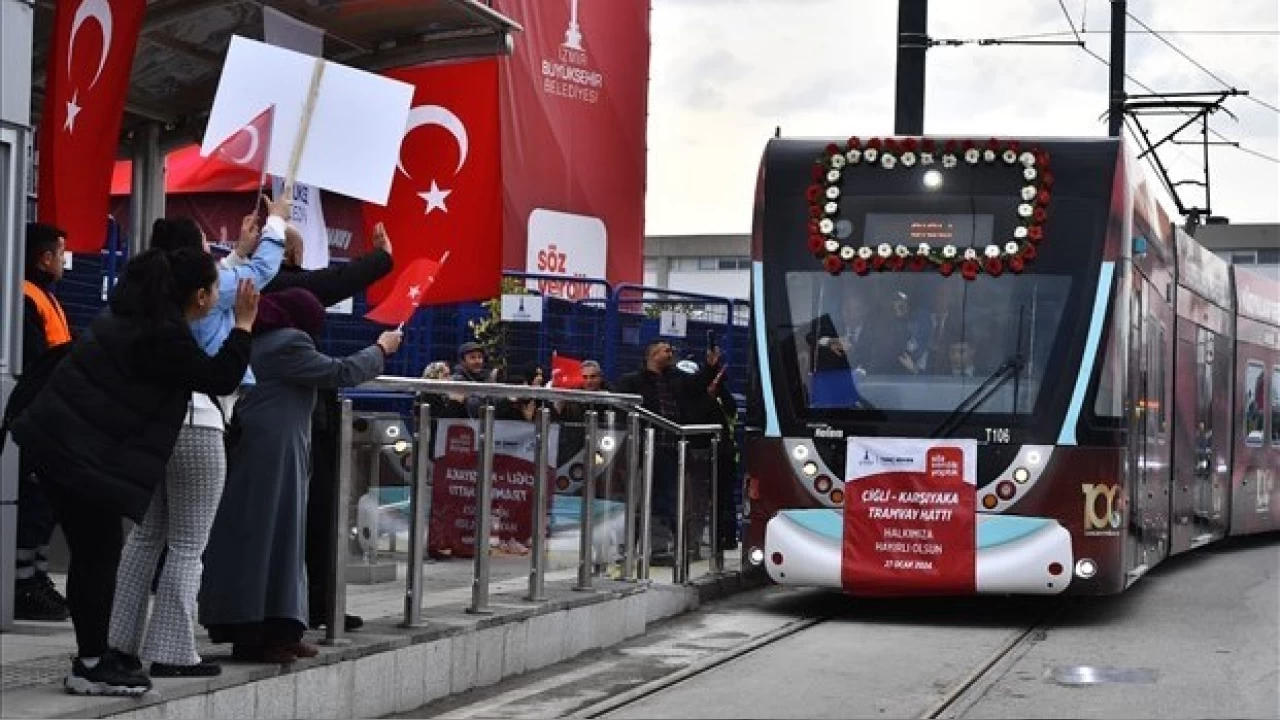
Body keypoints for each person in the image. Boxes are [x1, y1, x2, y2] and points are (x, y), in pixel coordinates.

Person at [10, 248, 257, 695]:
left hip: (60, 442)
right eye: (214, 290)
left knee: (100, 552)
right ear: (200, 296)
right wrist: (242, 325)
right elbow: (221, 376)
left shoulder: (136, 315)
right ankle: (91, 665)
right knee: (98, 555)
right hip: (74, 451)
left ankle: (99, 656)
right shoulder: (164, 335)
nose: (218, 296)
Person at [200, 289, 401, 664]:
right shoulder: (288, 343)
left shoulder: (266, 341)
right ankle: (259, 631)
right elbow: (340, 372)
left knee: (276, 541)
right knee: (271, 542)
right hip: (272, 457)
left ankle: (279, 628)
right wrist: (381, 348)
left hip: (271, 454)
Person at [253, 221, 395, 634]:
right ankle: (305, 607)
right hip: (296, 433)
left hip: (261, 429)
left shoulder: (243, 288)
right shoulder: (280, 308)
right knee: (313, 518)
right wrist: (381, 258)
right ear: (292, 258)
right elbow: (331, 285)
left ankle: (295, 608)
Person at [616, 340, 721, 563]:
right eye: (666, 350)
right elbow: (621, 408)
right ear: (653, 355)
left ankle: (663, 547)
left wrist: (710, 367)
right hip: (644, 448)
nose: (670, 353)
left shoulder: (675, 378)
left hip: (670, 448)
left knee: (667, 500)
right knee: (638, 499)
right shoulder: (633, 380)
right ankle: (627, 547)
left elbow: (697, 385)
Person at [14, 223, 72, 622]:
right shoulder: (23, 299)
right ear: (43, 258)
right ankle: (22, 585)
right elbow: (36, 359)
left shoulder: (44, 298)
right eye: (60, 254)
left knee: (44, 505)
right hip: (34, 413)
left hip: (50, 412)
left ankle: (34, 577)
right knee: (33, 503)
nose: (64, 263)